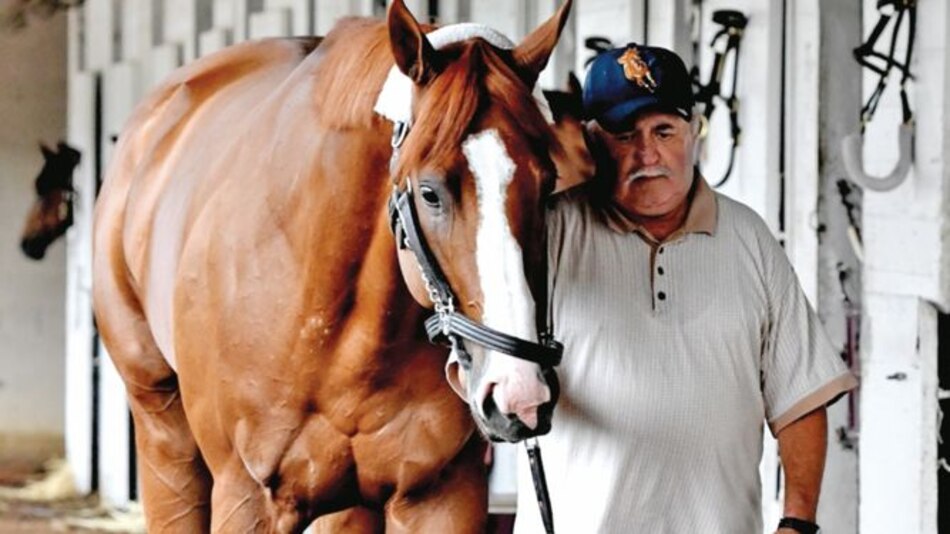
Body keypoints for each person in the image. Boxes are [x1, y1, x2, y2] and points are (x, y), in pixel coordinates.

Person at [514, 43, 858, 534]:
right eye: (624, 134)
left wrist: (798, 522)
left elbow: (800, 397)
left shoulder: (749, 239)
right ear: (591, 140)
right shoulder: (548, 235)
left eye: (664, 131)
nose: (647, 153)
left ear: (694, 134)